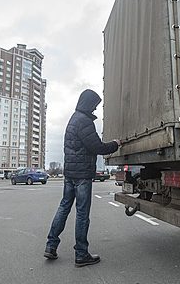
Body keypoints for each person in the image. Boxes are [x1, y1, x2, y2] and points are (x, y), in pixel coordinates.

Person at [44, 89, 120, 267]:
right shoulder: (84, 121)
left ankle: (51, 245)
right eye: (94, 105)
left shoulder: (73, 119)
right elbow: (97, 147)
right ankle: (81, 253)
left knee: (64, 208)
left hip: (70, 174)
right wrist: (115, 144)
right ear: (88, 103)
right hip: (82, 176)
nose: (95, 109)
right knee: (82, 213)